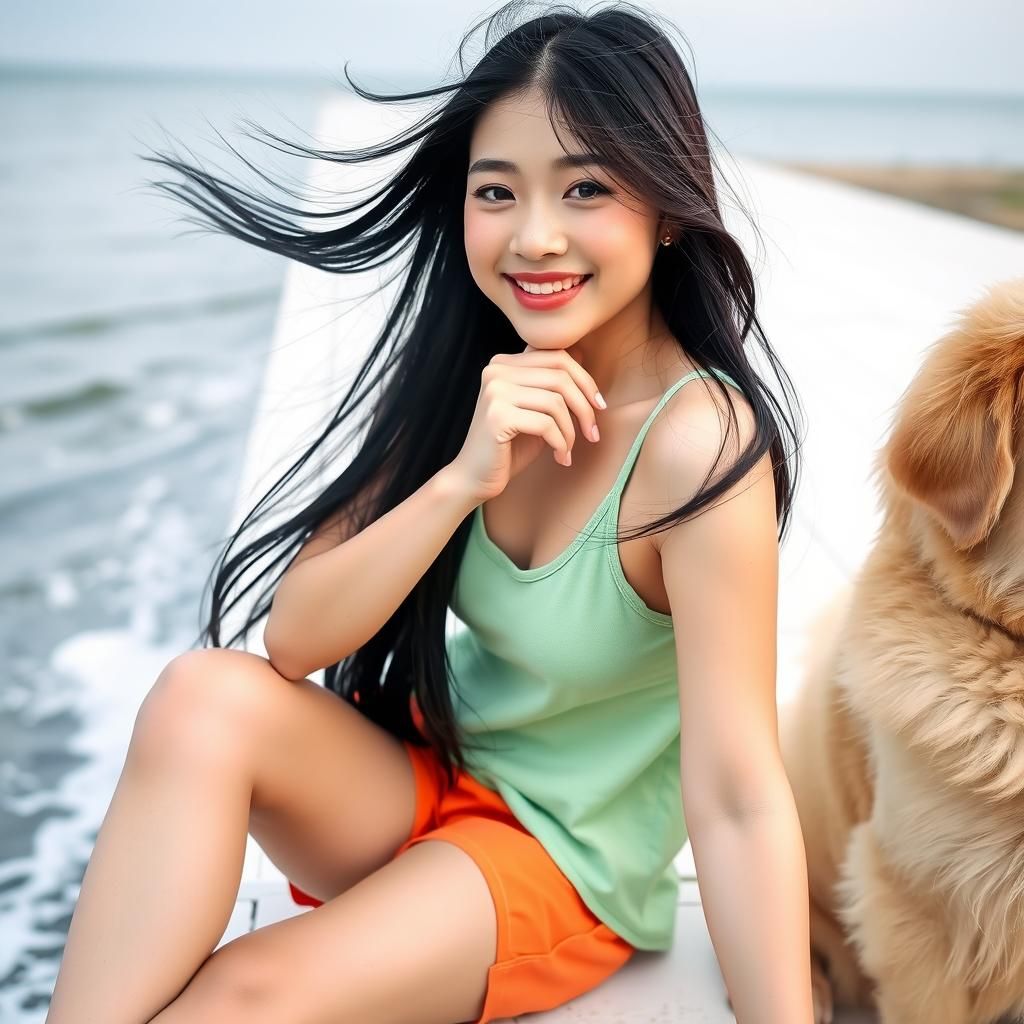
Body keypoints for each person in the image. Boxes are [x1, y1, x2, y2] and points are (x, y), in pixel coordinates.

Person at [45, 2, 812, 1022]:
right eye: (496, 191)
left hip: (557, 852)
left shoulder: (697, 445)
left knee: (240, 992)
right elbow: (294, 637)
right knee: (200, 694)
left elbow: (737, 794)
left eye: (585, 187)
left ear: (666, 203)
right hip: (421, 767)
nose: (535, 237)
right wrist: (459, 477)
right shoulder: (477, 378)